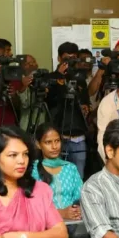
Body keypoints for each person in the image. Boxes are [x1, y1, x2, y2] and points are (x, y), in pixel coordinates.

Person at [45, 42, 92, 173]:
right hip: (58, 135)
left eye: (73, 58)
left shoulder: (80, 79)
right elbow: (49, 101)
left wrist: (85, 108)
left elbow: (85, 102)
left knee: (78, 176)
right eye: (67, 58)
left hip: (78, 136)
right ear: (59, 58)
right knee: (56, 176)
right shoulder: (50, 78)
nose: (70, 62)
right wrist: (59, 77)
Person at [31, 124, 83, 221]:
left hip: (72, 223)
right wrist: (60, 213)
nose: (54, 146)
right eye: (48, 142)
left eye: (57, 141)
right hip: (44, 227)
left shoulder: (70, 168)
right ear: (38, 144)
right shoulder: (32, 169)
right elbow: (31, 206)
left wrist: (77, 210)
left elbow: (80, 197)